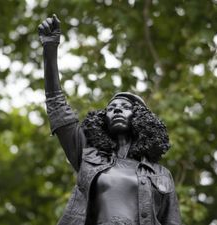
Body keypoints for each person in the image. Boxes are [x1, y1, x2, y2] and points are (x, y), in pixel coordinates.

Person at [38, 14, 182, 225]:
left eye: (125, 107)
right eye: (111, 108)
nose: (116, 110)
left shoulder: (161, 175)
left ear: (141, 120)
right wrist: (50, 49)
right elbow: (57, 107)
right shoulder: (87, 155)